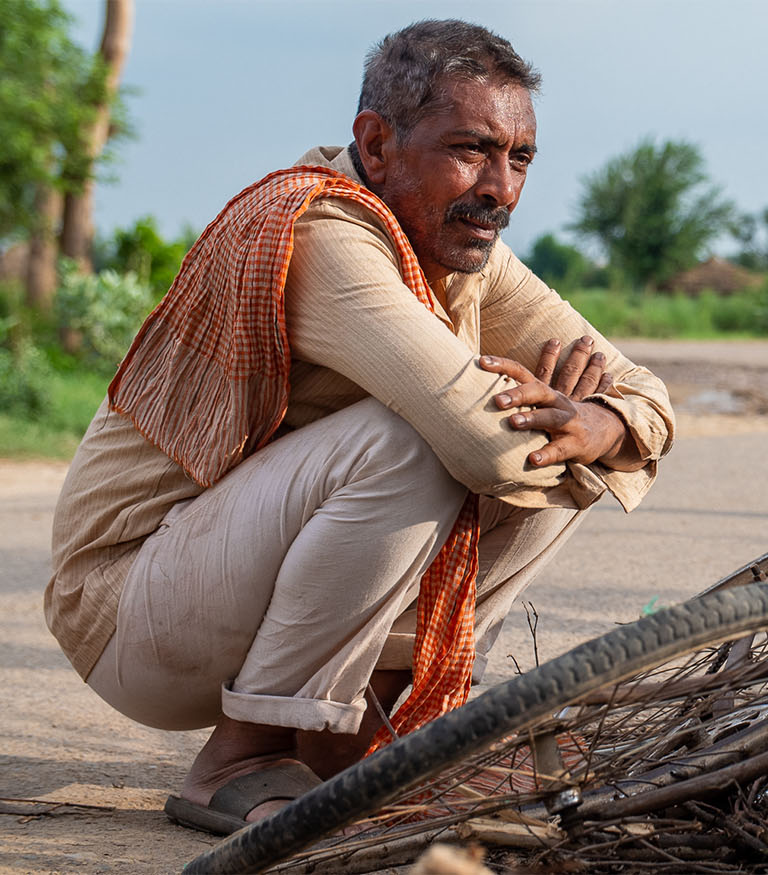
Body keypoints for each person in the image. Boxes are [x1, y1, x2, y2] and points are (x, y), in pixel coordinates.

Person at [44, 20, 674, 836]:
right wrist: (584, 429)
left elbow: (647, 394)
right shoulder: (318, 232)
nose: (501, 188)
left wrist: (601, 417)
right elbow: (483, 444)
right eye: (471, 148)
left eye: (519, 157)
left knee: (554, 443)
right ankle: (241, 757)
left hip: (225, 598)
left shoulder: (459, 248)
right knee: (426, 438)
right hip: (129, 610)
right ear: (376, 146)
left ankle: (339, 740)